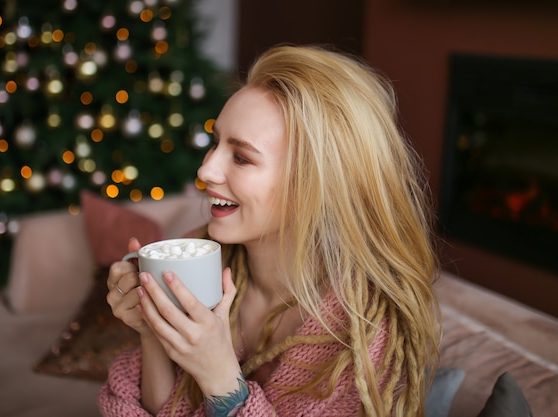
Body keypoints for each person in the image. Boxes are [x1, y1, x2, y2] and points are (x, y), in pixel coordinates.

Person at [99, 44, 441, 417]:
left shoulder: (368, 330)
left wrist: (222, 381)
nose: (206, 171)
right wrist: (153, 328)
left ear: (317, 184)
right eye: (215, 142)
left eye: (242, 157)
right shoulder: (201, 261)